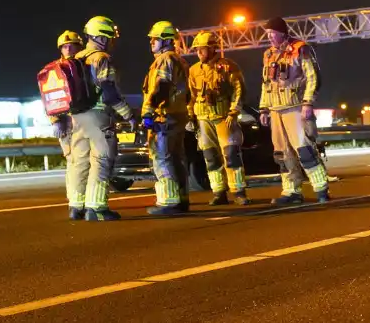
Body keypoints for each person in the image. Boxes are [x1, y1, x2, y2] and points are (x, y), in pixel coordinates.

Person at [66, 15, 137, 221]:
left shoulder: (76, 58)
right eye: (109, 37)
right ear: (102, 38)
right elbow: (109, 92)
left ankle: (76, 206)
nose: (111, 42)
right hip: (98, 116)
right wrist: (128, 114)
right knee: (102, 160)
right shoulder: (101, 58)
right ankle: (96, 208)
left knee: (80, 161)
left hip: (77, 118)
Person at [259, 16, 330, 204]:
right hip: (276, 110)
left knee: (304, 149)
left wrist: (308, 103)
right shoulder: (268, 55)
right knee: (282, 154)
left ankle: (321, 188)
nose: (270, 37)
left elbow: (313, 77)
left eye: (273, 33)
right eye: (268, 34)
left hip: (295, 107)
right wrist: (264, 109)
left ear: (282, 32)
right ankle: (291, 191)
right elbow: (266, 84)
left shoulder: (300, 49)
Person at [187, 30, 250, 206]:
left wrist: (233, 111)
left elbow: (239, 89)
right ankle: (219, 192)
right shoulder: (193, 71)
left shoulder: (228, 66)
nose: (199, 53)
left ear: (212, 48)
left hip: (223, 117)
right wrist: (191, 116)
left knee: (231, 154)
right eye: (197, 49)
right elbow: (191, 96)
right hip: (203, 119)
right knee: (210, 156)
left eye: (202, 49)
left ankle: (238, 191)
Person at [141, 21, 192, 216]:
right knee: (177, 158)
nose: (152, 42)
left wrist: (148, 110)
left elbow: (161, 87)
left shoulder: (164, 60)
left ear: (166, 41)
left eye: (155, 39)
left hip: (165, 115)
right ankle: (181, 199)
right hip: (178, 114)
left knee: (162, 157)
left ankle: (169, 202)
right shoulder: (180, 60)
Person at [51, 30, 82, 159]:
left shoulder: (85, 65)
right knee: (73, 161)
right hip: (67, 122)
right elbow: (50, 97)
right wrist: (55, 121)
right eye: (64, 46)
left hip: (86, 120)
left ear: (79, 47)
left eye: (71, 45)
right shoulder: (54, 70)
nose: (68, 49)